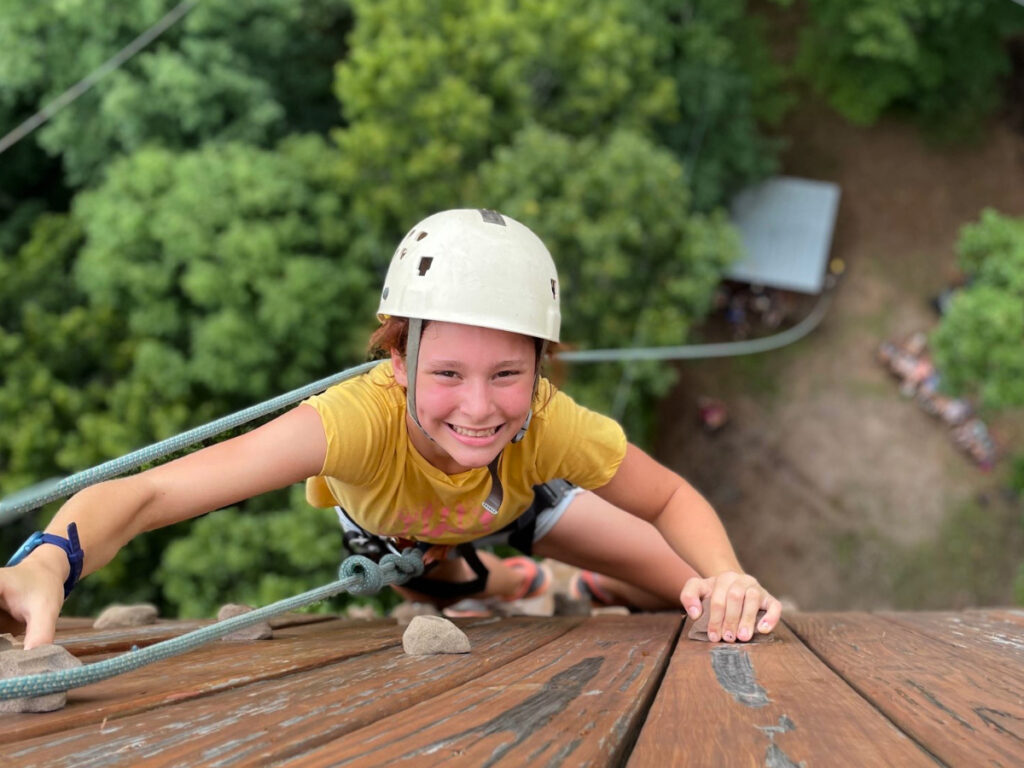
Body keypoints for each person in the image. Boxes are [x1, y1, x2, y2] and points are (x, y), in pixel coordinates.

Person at [0, 208, 781, 649]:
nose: (479, 408)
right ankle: (525, 581)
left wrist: (727, 573)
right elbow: (151, 494)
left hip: (516, 499)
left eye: (507, 374)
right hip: (398, 539)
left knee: (678, 588)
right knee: (453, 583)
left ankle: (570, 578)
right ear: (398, 363)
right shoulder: (351, 426)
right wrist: (46, 565)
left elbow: (671, 498)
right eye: (447, 374)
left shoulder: (546, 423)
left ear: (540, 371)